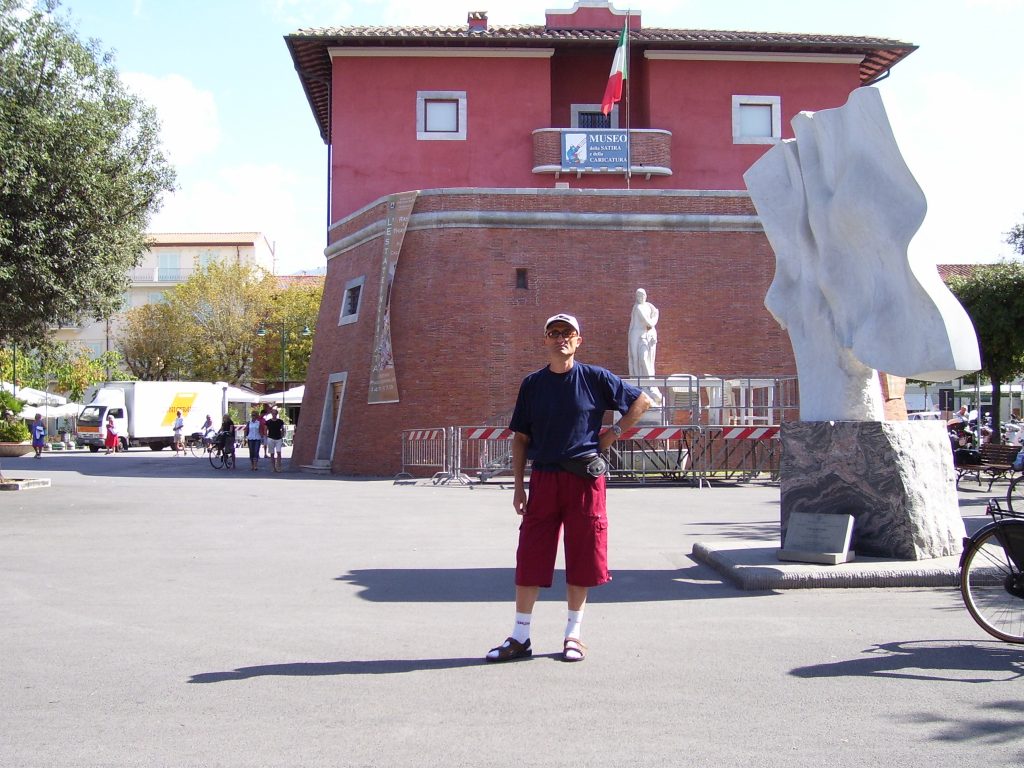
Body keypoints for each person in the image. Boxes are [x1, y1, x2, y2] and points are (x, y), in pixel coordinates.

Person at [486, 313, 652, 664]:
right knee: (531, 554)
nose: (560, 338)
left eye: (567, 333)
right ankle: (520, 636)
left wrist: (612, 434)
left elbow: (642, 402)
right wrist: (518, 487)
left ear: (578, 341)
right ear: (545, 341)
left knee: (583, 554)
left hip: (584, 480)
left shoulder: (595, 378)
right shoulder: (532, 384)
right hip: (544, 478)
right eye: (554, 332)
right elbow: (520, 438)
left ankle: (573, 634)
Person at [627, 288, 659, 378]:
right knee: (634, 356)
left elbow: (650, 326)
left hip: (644, 334)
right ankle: (636, 378)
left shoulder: (648, 306)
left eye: (642, 295)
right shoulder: (638, 307)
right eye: (638, 296)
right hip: (635, 333)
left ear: (646, 296)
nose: (640, 298)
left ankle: (645, 379)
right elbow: (649, 323)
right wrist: (656, 315)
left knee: (644, 358)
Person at [264, 408, 286, 473]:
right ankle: (273, 467)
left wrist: (282, 435)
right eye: (273, 413)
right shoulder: (268, 422)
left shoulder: (280, 421)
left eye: (275, 414)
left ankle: (278, 466)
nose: (274, 415)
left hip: (278, 438)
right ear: (271, 414)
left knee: (279, 452)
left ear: (277, 414)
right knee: (272, 453)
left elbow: (282, 429)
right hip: (270, 438)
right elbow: (265, 429)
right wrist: (266, 437)